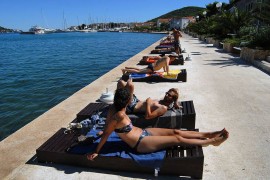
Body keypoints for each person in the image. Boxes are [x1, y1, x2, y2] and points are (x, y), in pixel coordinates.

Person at [87, 88, 229, 160]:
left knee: (176, 132)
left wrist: (105, 132)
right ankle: (211, 141)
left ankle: (208, 133)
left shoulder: (113, 109)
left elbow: (107, 128)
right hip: (141, 143)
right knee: (176, 139)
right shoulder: (119, 115)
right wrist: (96, 151)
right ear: (127, 101)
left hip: (144, 132)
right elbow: (107, 132)